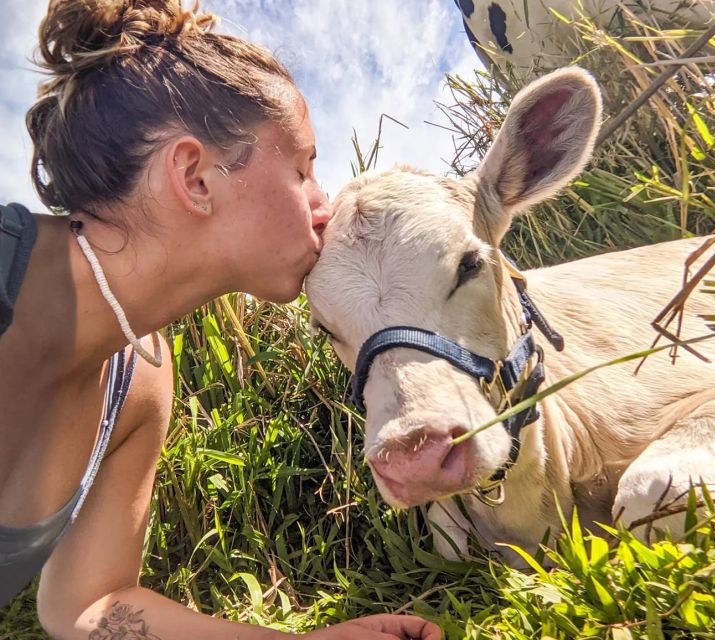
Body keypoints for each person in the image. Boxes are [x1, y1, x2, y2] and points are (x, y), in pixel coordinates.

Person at [0, 1, 442, 638]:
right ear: (195, 177)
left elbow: (88, 606)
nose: (324, 206)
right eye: (302, 168)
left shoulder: (140, 381)